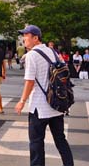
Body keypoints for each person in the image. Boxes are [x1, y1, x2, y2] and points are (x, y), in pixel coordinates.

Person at [15, 25, 74, 166]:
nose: (24, 39)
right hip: (56, 104)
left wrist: (22, 100)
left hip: (38, 107)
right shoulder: (52, 51)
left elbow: (29, 81)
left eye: (26, 36)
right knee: (60, 139)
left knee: (36, 143)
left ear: (36, 38)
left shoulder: (31, 55)